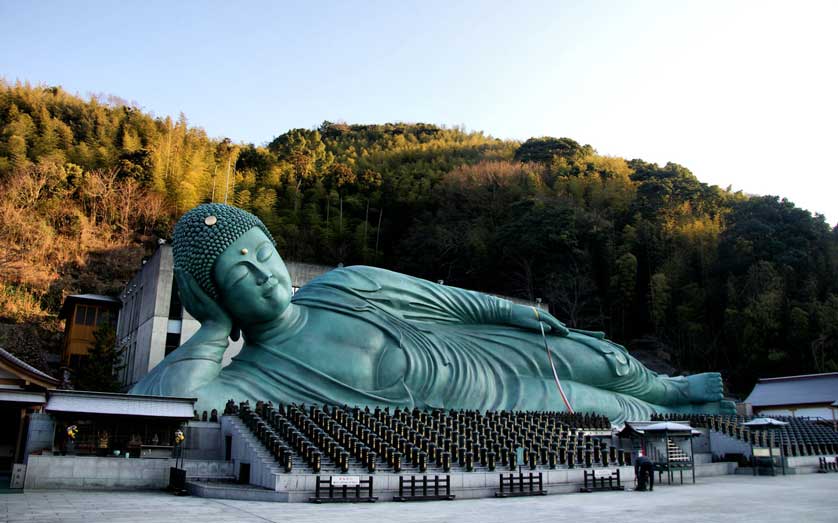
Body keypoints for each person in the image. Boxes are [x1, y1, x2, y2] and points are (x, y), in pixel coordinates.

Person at [130, 204, 733, 424]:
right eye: (240, 275)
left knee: (595, 356)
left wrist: (519, 314)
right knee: (609, 408)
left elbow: (448, 300)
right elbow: (162, 408)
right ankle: (678, 410)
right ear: (215, 295)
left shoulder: (343, 285)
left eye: (263, 254)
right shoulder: (250, 378)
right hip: (482, 406)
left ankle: (671, 386)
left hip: (475, 350)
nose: (265, 275)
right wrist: (211, 330)